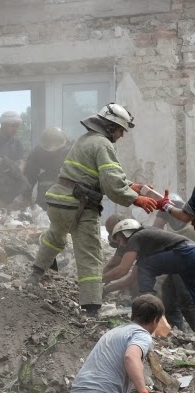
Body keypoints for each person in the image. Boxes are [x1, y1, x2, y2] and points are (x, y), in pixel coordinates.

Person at [27, 104, 158, 317]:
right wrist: (136, 199)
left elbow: (98, 176)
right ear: (110, 127)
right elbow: (112, 183)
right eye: (120, 130)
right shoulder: (104, 144)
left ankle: (35, 274)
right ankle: (91, 307)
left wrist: (132, 186)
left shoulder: (84, 140)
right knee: (90, 255)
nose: (121, 135)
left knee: (55, 237)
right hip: (79, 206)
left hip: (58, 202)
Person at [103, 219, 195, 301]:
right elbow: (131, 278)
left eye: (119, 240)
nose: (120, 245)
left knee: (144, 266)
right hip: (188, 254)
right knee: (170, 295)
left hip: (185, 252)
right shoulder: (146, 244)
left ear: (126, 234)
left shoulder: (135, 237)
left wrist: (98, 279)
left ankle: (148, 303)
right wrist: (105, 290)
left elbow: (122, 270)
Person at [24, 127, 71, 209]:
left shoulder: (72, 150)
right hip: (47, 178)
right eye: (48, 148)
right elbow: (30, 174)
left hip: (67, 180)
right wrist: (26, 196)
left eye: (55, 149)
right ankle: (42, 207)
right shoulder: (37, 152)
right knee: (45, 180)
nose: (52, 151)